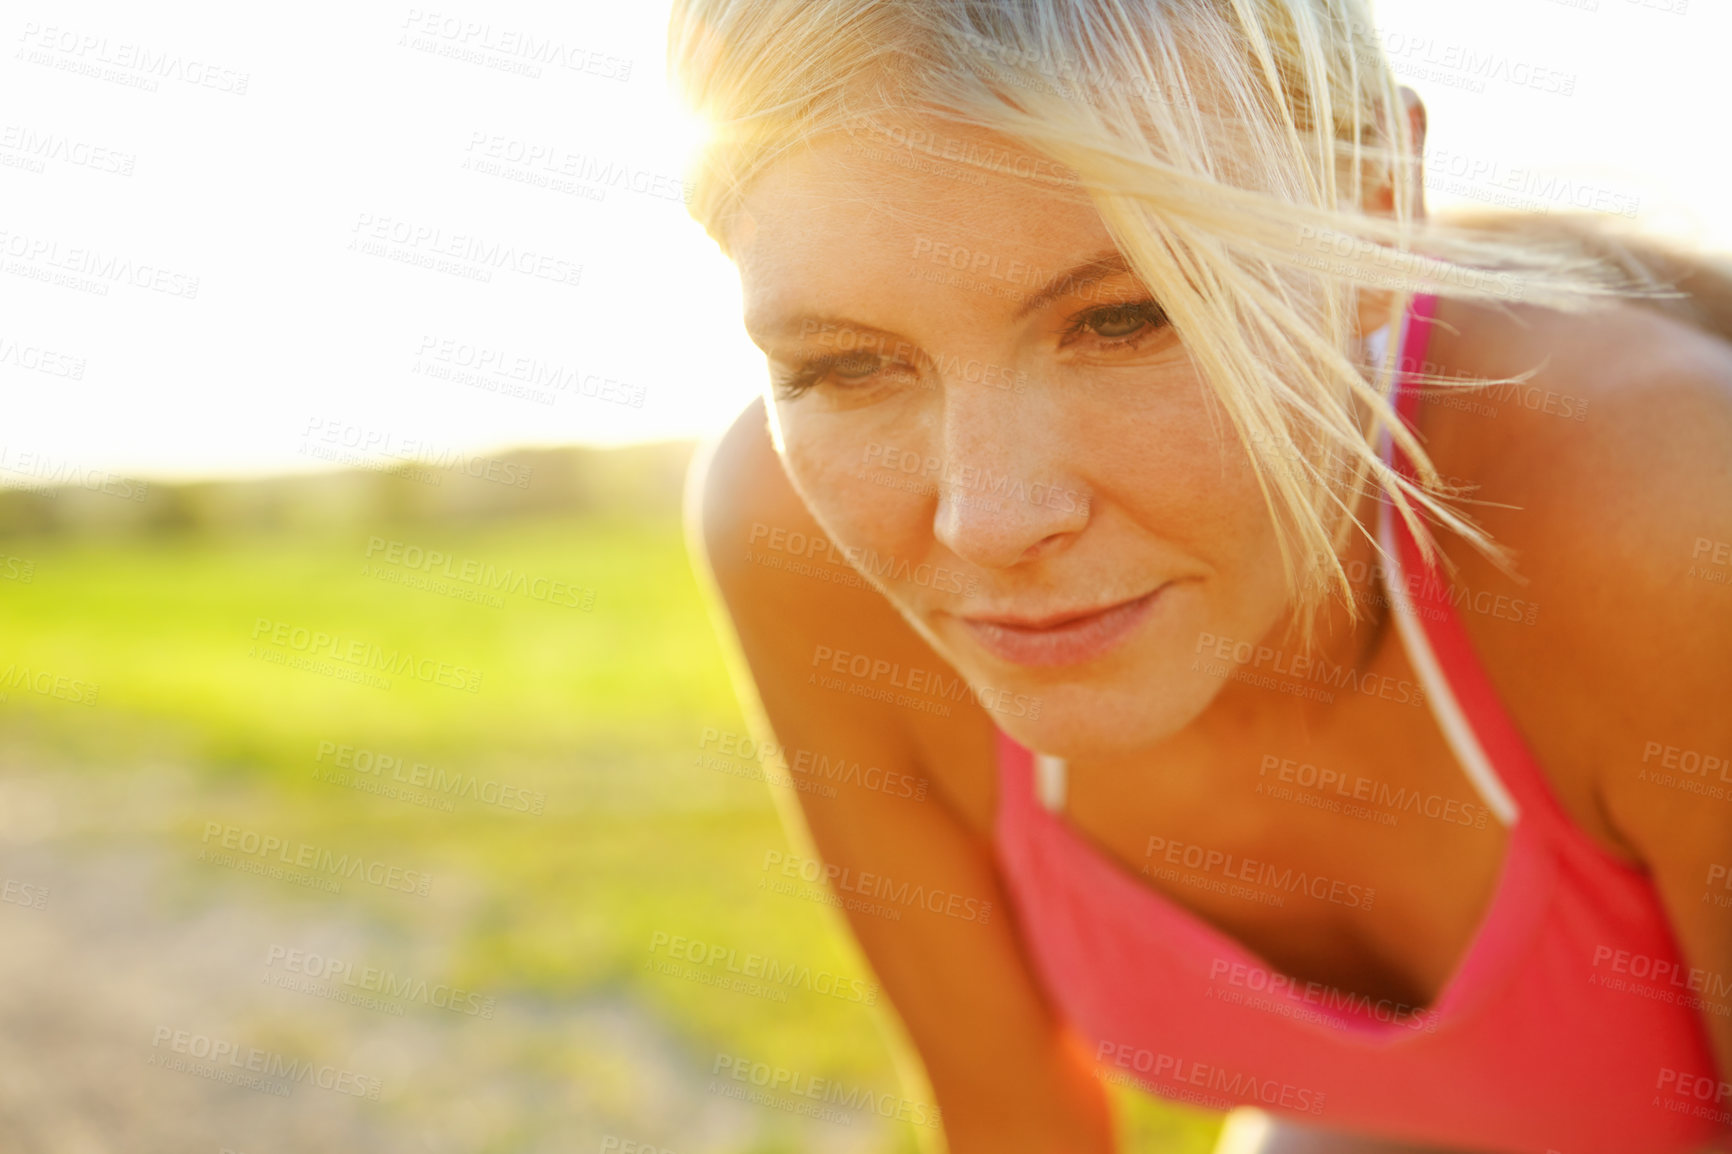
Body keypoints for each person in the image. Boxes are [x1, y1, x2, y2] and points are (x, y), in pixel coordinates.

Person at [669, 1, 1732, 1150]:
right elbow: (1014, 1124)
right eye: (844, 364)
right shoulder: (794, 537)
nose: (988, 520)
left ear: (1371, 208)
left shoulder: (1661, 516)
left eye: (1124, 318)